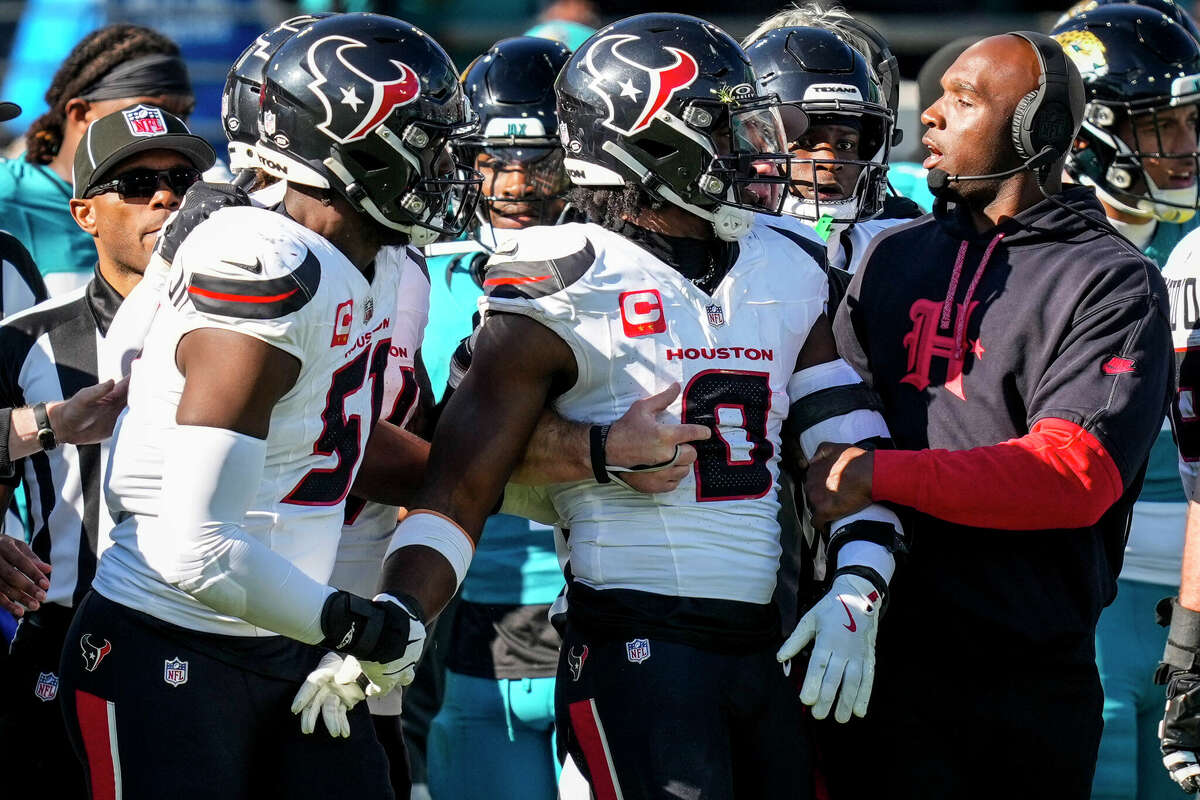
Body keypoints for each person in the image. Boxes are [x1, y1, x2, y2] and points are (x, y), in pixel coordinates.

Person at [315, 13, 909, 799]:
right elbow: (460, 478)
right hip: (634, 638)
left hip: (765, 643)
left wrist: (858, 585)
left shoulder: (788, 258)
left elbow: (850, 449)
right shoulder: (562, 274)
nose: (752, 147)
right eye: (725, 126)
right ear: (653, 143)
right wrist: (401, 613)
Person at [57, 14, 469, 798]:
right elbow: (195, 548)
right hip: (171, 643)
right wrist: (359, 624)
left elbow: (326, 440)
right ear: (349, 141)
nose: (442, 163)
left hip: (282, 634)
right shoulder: (262, 261)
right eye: (423, 137)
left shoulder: (347, 254)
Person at [807, 32, 1171, 799]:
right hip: (871, 657)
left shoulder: (1113, 279)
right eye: (938, 96)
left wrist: (879, 474)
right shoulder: (890, 256)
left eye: (964, 101)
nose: (930, 115)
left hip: (1022, 683)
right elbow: (831, 429)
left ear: (1037, 134)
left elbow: (1074, 473)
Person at [0, 103, 211, 799]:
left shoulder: (261, 325)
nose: (166, 197)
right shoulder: (26, 339)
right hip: (61, 634)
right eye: (136, 182)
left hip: (215, 633)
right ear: (85, 213)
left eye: (182, 179)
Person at [1049, 7, 1200, 800]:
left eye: (1190, 121)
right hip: (1087, 595)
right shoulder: (1039, 247)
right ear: (1091, 134)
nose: (1183, 147)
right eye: (1160, 126)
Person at [422, 36, 573, 800]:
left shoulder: (640, 270)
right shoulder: (426, 273)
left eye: (539, 159)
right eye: (491, 158)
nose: (513, 183)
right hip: (469, 598)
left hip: (624, 594)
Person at [0, 24, 194, 296]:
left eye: (184, 113)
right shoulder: (7, 191)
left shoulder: (191, 193)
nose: (168, 124)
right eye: (149, 111)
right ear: (81, 114)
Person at [743, 9, 922, 274]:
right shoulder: (721, 255)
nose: (829, 161)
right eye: (804, 141)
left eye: (846, 145)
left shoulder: (903, 245)